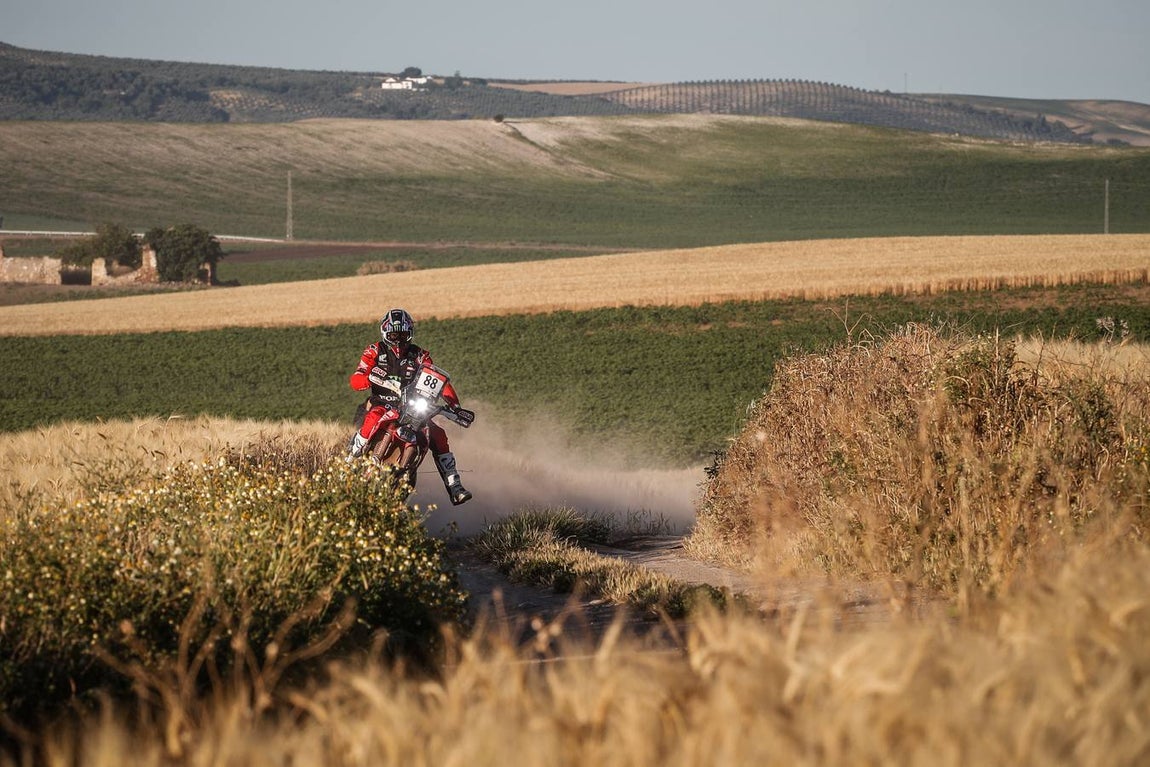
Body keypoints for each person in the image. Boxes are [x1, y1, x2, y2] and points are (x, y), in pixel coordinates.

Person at [347, 308, 473, 505]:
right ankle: (351, 458)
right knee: (373, 418)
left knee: (438, 434)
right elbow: (356, 378)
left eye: (403, 335)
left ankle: (454, 485)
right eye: (394, 335)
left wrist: (455, 406)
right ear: (385, 333)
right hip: (382, 402)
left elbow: (439, 382)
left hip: (413, 407)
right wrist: (369, 378)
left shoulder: (420, 356)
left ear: (410, 334)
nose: (398, 340)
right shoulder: (374, 350)